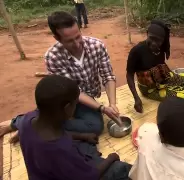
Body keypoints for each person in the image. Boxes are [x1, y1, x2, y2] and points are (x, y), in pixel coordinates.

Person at [0, 11, 121, 142]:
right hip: (65, 98)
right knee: (90, 124)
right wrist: (102, 108)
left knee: (95, 127)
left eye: (78, 37)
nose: (76, 44)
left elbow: (108, 76)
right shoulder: (53, 56)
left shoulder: (97, 46)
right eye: (69, 41)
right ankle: (23, 123)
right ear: (57, 38)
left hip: (87, 96)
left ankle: (37, 124)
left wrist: (112, 104)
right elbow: (75, 92)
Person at [17, 75, 131, 180]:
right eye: (75, 104)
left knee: (86, 147)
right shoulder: (60, 149)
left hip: (46, 171)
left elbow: (59, 137)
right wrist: (111, 158)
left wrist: (82, 136)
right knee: (123, 169)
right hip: (74, 173)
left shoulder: (26, 120)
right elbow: (90, 177)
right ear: (67, 108)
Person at [126, 20, 184, 113]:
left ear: (163, 40)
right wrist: (136, 98)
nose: (154, 43)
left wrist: (174, 79)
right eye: (152, 38)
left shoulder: (161, 48)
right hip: (150, 89)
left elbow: (161, 66)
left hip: (164, 79)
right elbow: (129, 75)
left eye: (158, 40)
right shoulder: (136, 51)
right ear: (147, 34)